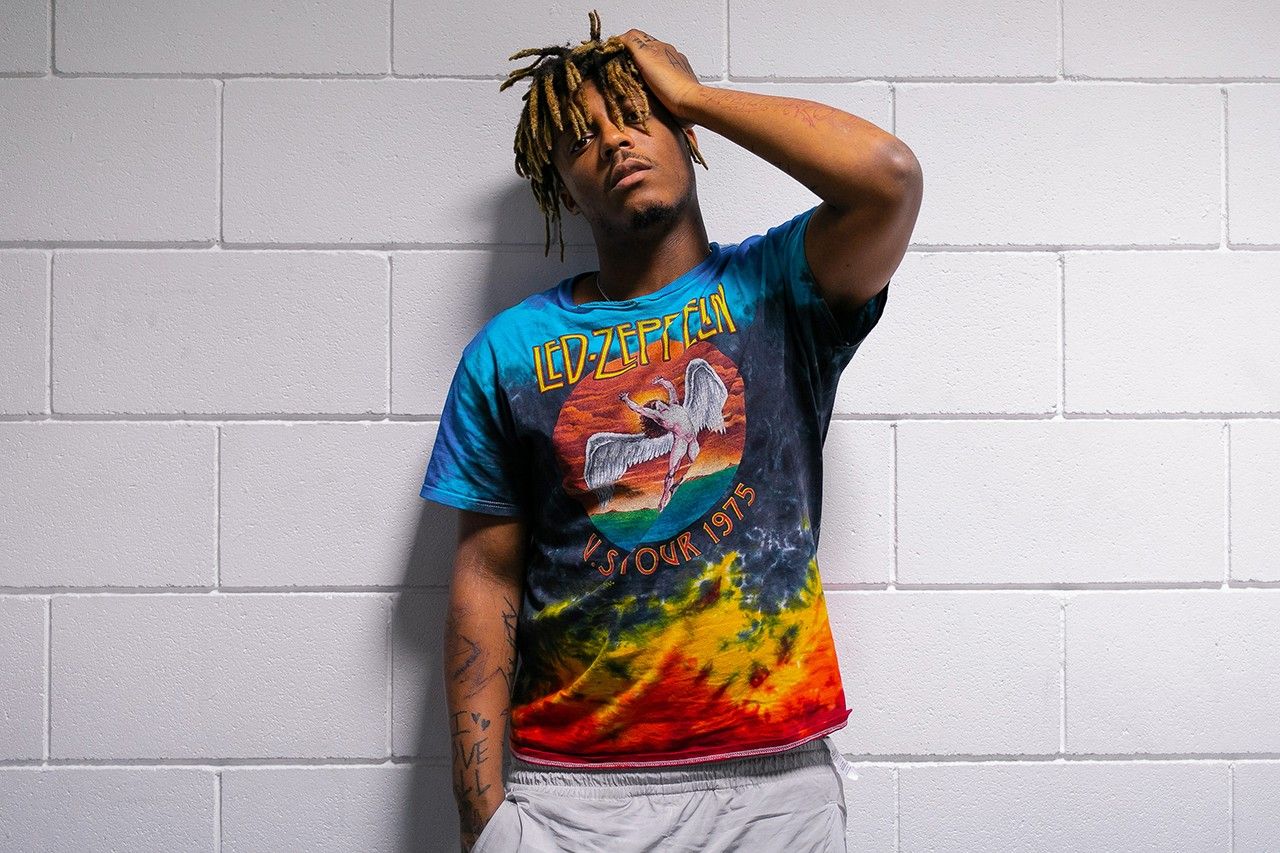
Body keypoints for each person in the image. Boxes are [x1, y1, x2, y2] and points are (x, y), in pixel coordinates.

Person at [419, 10, 921, 852]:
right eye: (583, 137)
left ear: (685, 135)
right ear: (561, 188)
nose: (615, 141)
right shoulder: (509, 353)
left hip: (774, 790)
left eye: (635, 114)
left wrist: (691, 95)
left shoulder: (779, 288)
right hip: (572, 800)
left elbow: (890, 179)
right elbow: (485, 576)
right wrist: (483, 817)